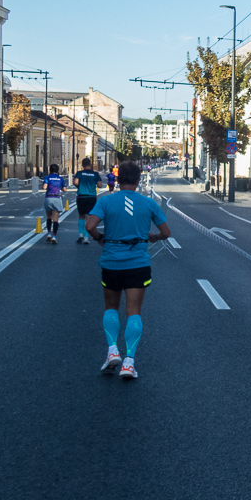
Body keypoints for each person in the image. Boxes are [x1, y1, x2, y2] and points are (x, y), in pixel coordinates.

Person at [85, 160, 171, 380]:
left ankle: (112, 350)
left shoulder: (107, 201)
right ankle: (129, 363)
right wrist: (154, 237)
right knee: (134, 311)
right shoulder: (149, 203)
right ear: (138, 179)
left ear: (117, 178)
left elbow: (90, 226)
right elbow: (166, 232)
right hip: (138, 263)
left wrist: (100, 239)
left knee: (111, 307)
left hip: (112, 262)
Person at [72, 157, 104, 244]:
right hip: (92, 197)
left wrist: (79, 187)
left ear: (82, 165)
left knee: (81, 216)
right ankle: (86, 237)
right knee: (88, 218)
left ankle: (80, 235)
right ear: (90, 164)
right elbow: (100, 185)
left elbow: (75, 182)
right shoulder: (95, 174)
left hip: (81, 196)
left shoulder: (79, 173)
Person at [41, 164, 68, 244]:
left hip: (48, 198)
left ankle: (48, 233)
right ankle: (54, 236)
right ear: (58, 170)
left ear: (50, 170)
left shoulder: (47, 177)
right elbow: (64, 190)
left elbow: (44, 187)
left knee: (49, 216)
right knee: (55, 219)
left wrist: (47, 185)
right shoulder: (60, 178)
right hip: (57, 198)